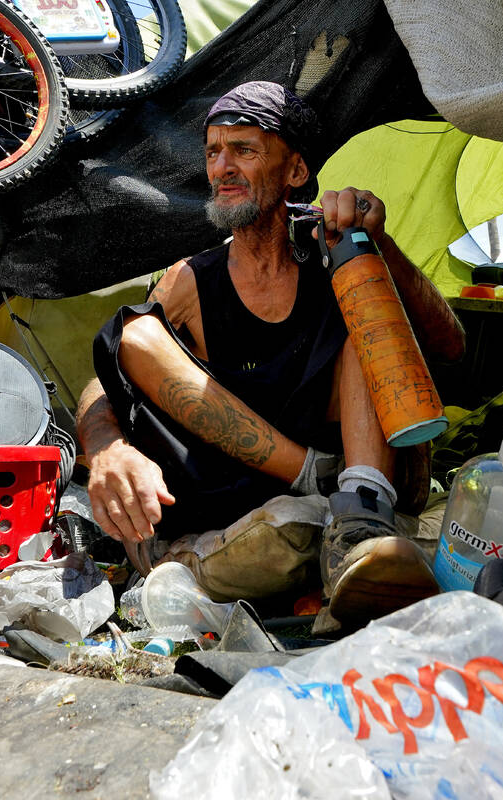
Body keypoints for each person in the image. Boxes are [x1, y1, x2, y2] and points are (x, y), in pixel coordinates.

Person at [75, 81, 465, 625]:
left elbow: (450, 346)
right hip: (238, 491)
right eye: (213, 151)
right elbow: (110, 378)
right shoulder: (190, 280)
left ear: (296, 172)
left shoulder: (335, 249)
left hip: (356, 480)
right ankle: (315, 483)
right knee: (135, 333)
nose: (222, 167)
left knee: (363, 316)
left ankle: (360, 516)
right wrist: (107, 447)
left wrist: (380, 248)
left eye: (245, 150)